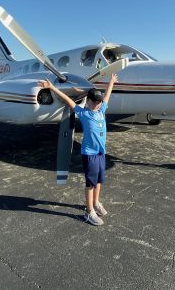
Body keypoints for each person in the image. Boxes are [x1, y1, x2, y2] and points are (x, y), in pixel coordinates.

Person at [38, 74, 118, 226]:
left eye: (99, 102)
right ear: (88, 102)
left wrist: (111, 82)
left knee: (99, 181)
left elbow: (107, 95)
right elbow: (69, 101)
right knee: (90, 184)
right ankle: (89, 212)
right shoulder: (84, 114)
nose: (97, 104)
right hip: (90, 154)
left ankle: (95, 203)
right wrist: (52, 87)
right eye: (94, 102)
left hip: (101, 153)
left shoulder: (101, 110)